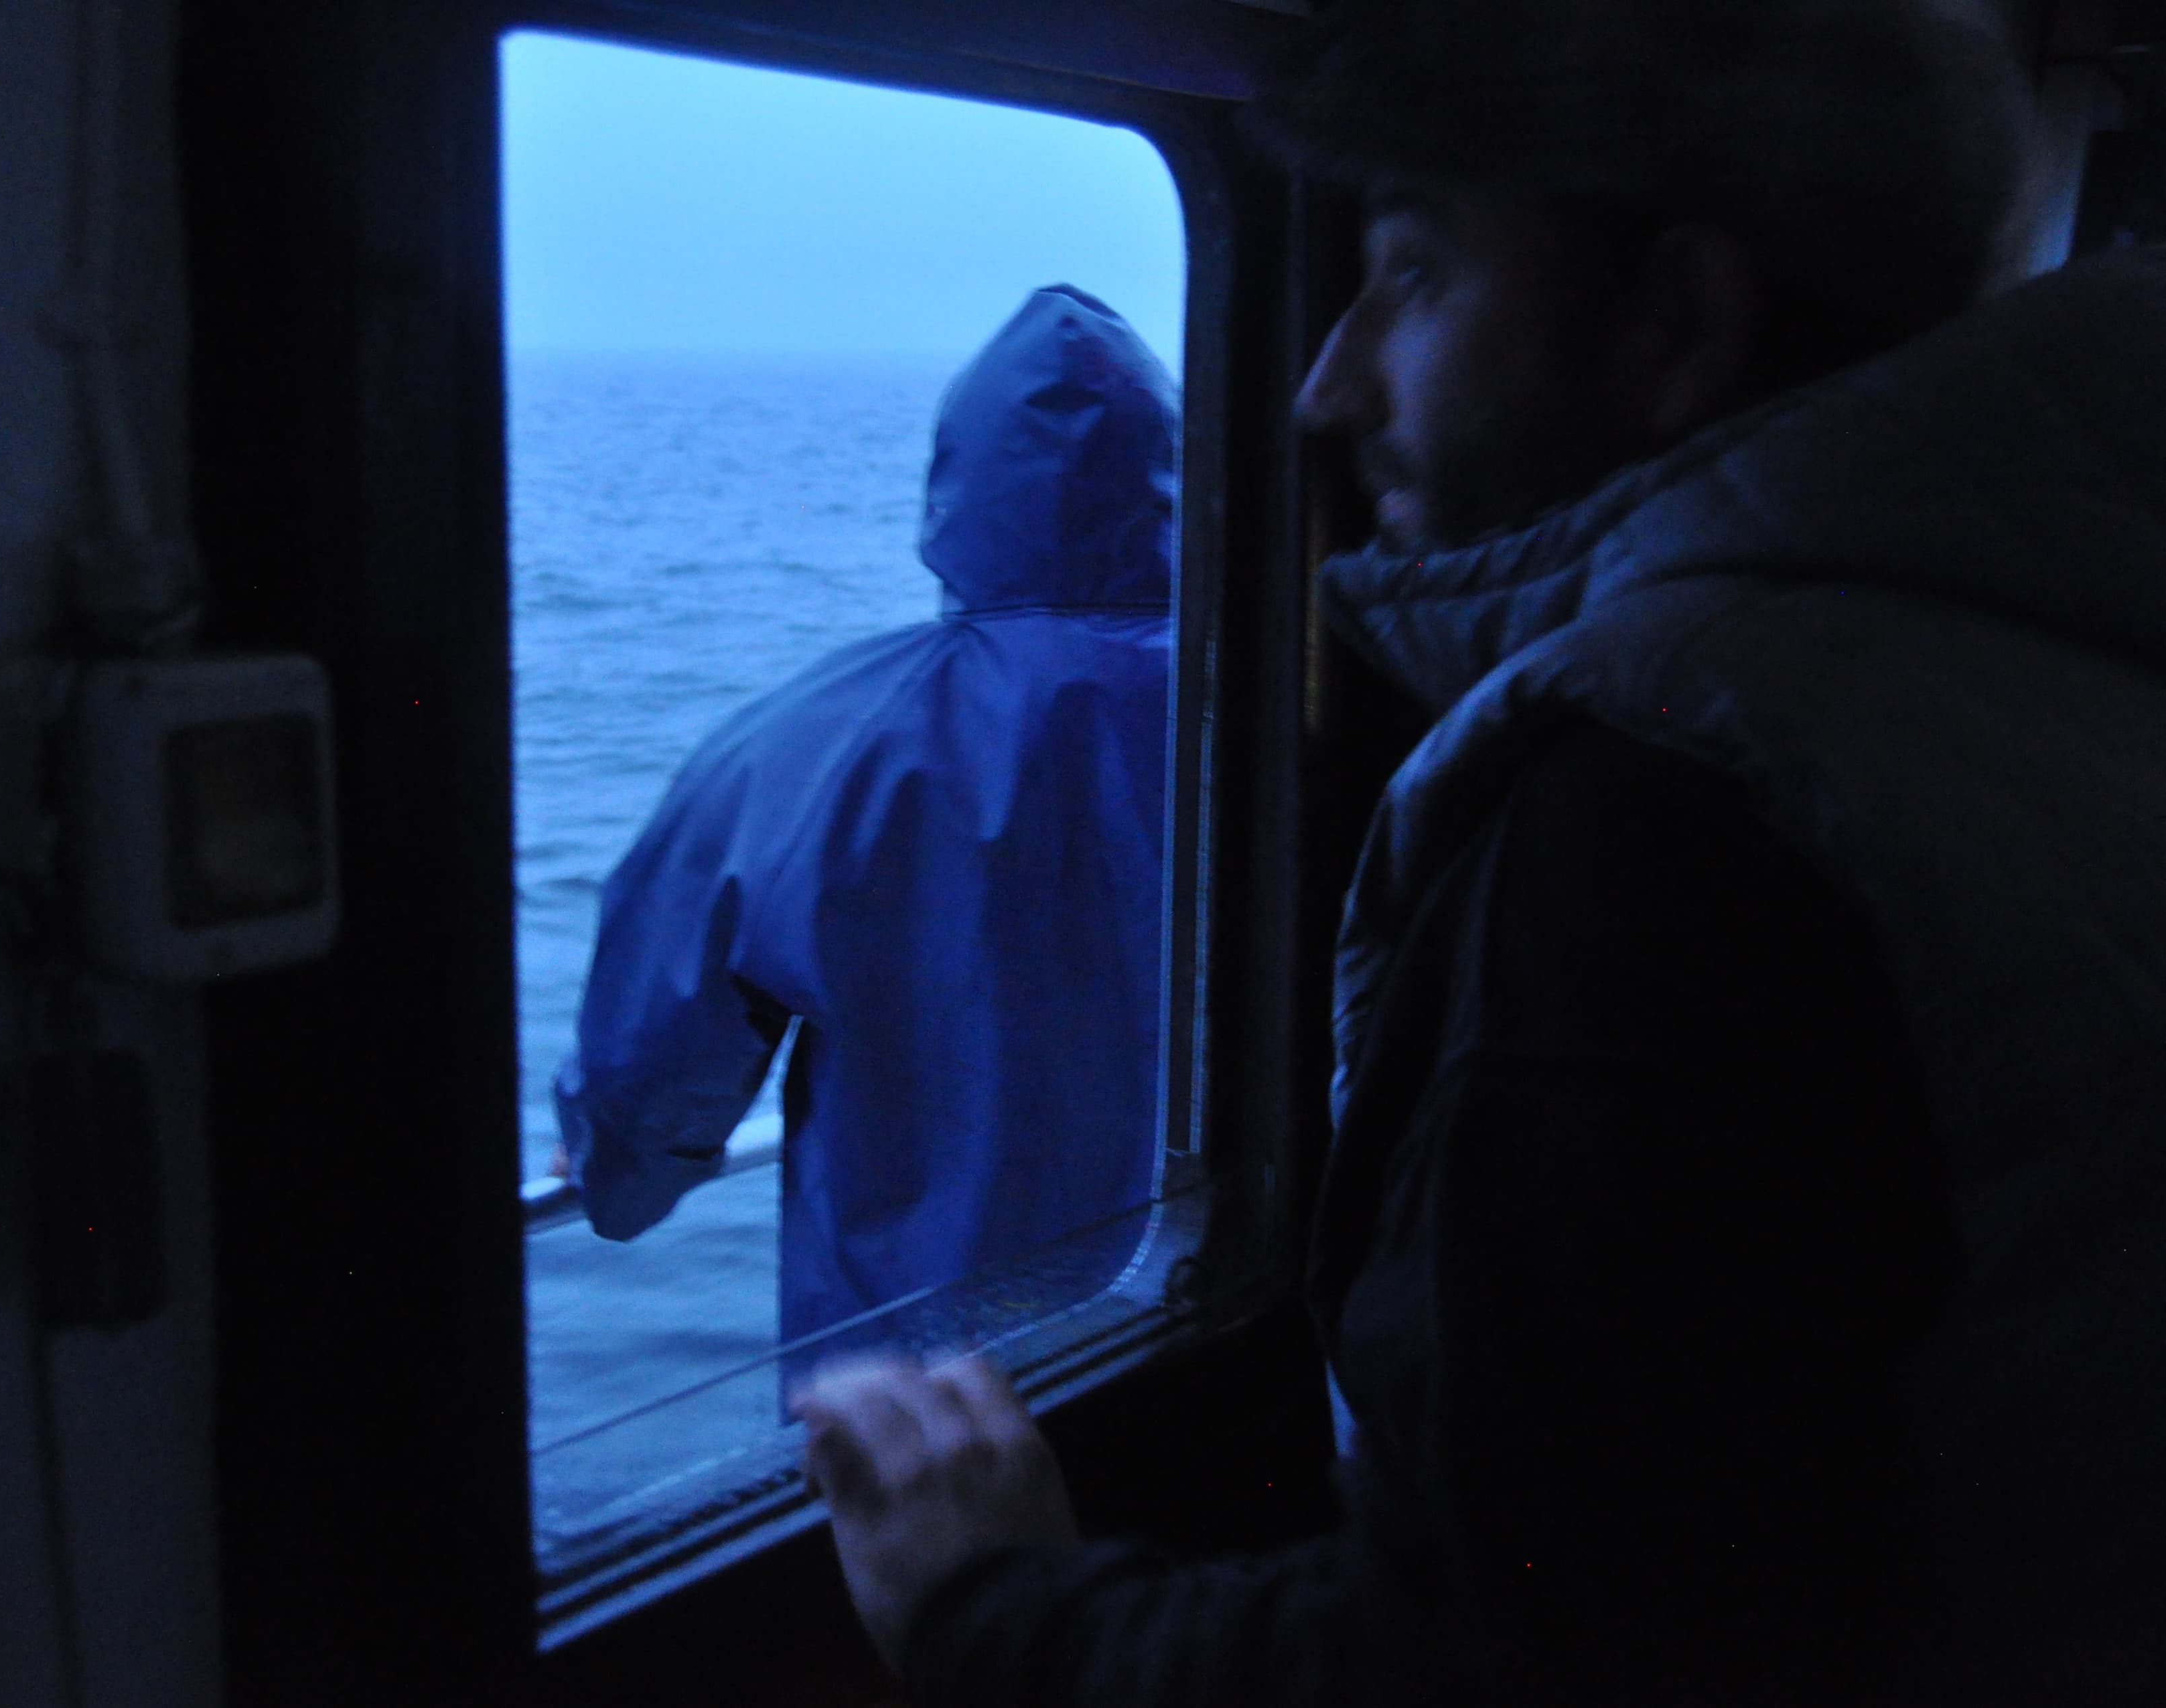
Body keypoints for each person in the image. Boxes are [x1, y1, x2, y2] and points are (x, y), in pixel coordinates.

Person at [796, 1, 2166, 1703]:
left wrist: (990, 1612)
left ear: (1675, 320)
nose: (1327, 382)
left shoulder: (1672, 813)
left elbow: (1523, 1657)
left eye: (1417, 275)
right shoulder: (2053, 655)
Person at [555, 285, 1179, 1354]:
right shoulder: (1276, 707)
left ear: (956, 484)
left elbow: (647, 1075)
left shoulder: (819, 741)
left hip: (912, 1391)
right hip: (1215, 1317)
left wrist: (616, 1167)